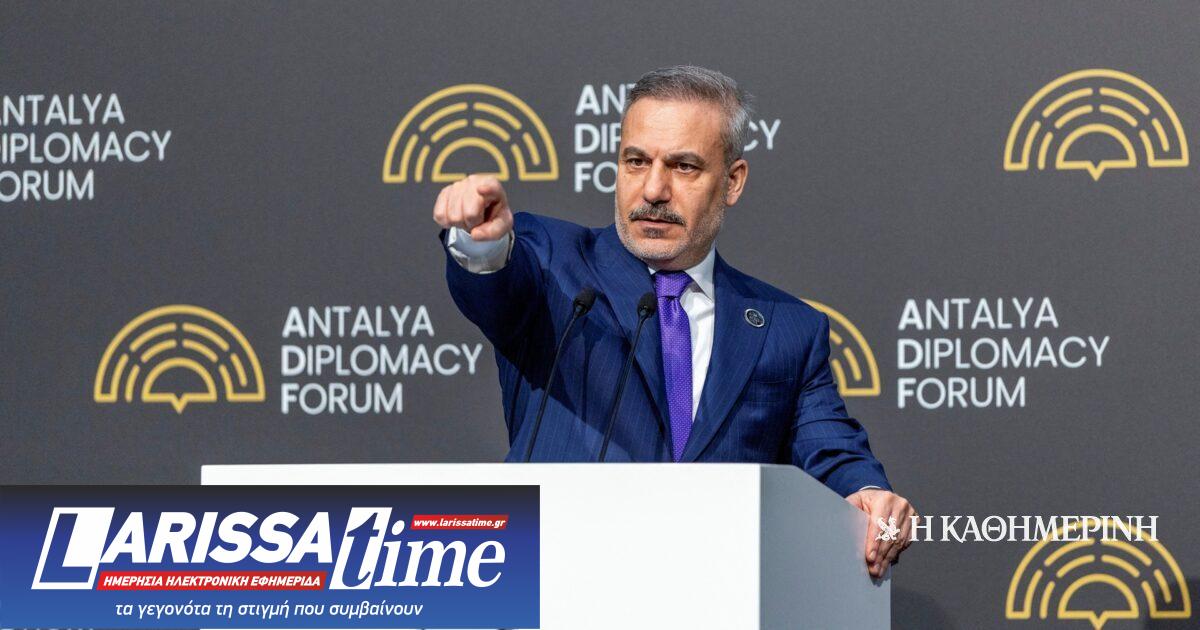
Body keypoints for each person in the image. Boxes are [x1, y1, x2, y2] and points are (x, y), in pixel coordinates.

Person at [433, 65, 914, 576]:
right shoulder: (554, 265)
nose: (653, 189)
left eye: (683, 167)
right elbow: (499, 286)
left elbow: (832, 451)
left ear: (733, 181)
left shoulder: (788, 328)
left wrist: (870, 494)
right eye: (636, 161)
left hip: (718, 592)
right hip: (557, 582)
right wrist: (480, 243)